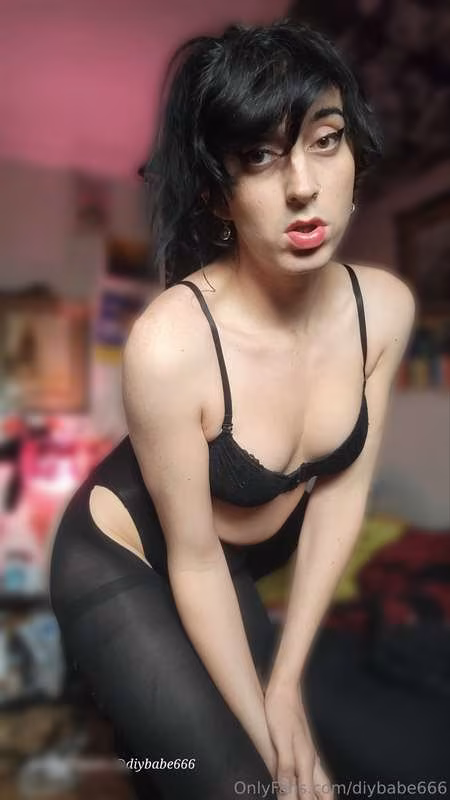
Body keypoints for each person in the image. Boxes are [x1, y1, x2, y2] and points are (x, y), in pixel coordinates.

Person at [49, 18, 415, 800]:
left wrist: (285, 686)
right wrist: (270, 750)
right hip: (131, 556)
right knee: (245, 784)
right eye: (259, 157)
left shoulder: (383, 311)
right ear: (219, 194)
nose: (303, 186)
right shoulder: (171, 345)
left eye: (325, 140)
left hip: (231, 562)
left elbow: (340, 496)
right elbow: (193, 559)